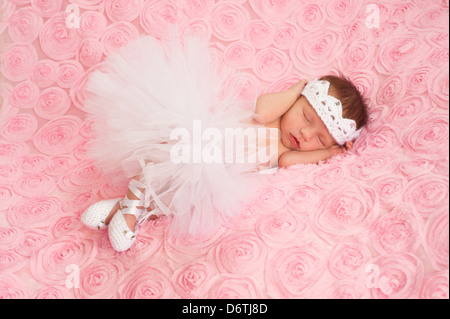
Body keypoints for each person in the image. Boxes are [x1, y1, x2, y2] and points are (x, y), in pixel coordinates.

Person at [80, 34, 368, 252]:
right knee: (166, 153)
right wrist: (295, 90)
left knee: (177, 201)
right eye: (306, 117)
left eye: (319, 138)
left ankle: (125, 210)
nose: (305, 134)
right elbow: (261, 110)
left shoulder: (285, 152)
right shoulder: (274, 116)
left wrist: (329, 152)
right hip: (203, 137)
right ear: (299, 100)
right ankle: (132, 202)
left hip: (214, 174)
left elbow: (288, 162)